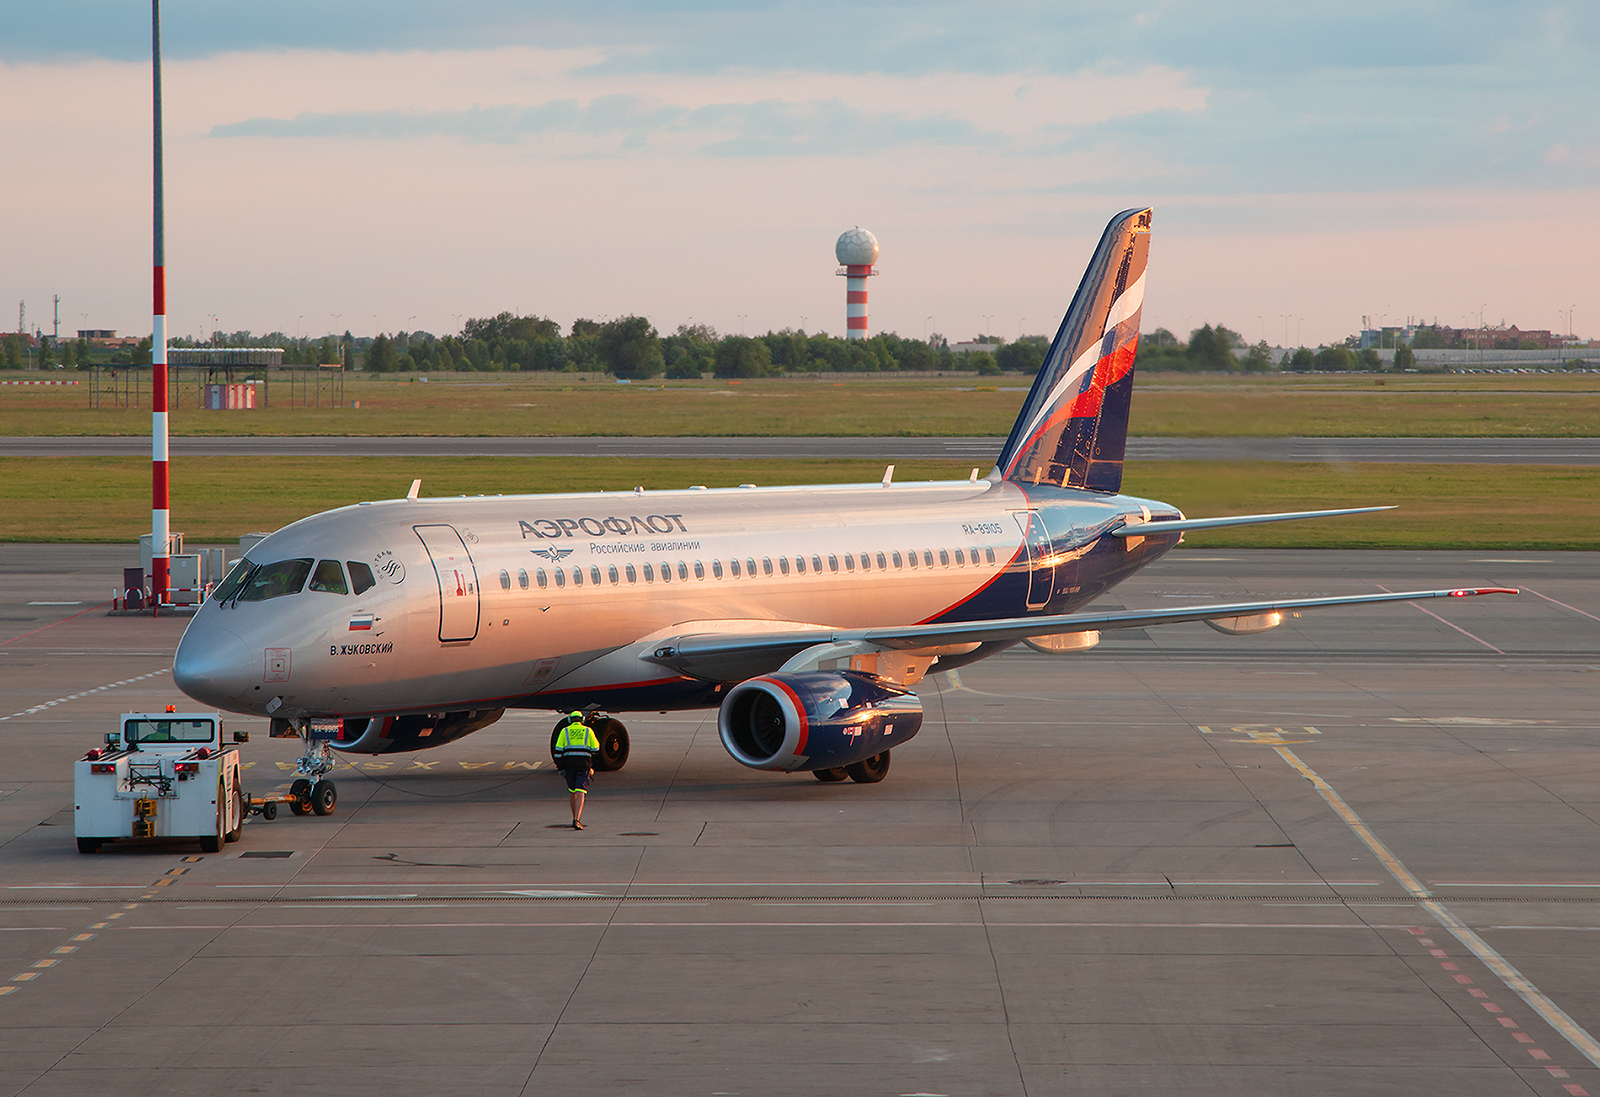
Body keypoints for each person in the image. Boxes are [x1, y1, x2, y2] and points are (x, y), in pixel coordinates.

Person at [554, 710, 600, 829]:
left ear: (570, 720)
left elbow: (558, 752)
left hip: (569, 766)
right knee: (581, 792)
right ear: (582, 720)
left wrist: (560, 768)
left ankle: (574, 816)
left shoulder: (565, 731)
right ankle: (577, 819)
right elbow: (596, 749)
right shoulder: (588, 731)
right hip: (583, 765)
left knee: (572, 791)